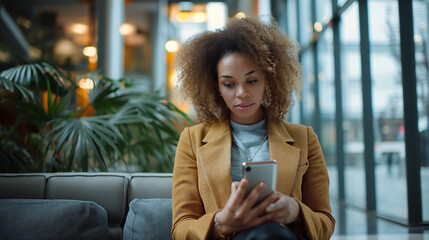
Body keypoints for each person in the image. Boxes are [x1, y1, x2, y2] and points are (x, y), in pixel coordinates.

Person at [171, 17, 335, 240]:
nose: (241, 93)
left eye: (252, 81)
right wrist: (221, 222)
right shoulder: (192, 140)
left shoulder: (303, 138)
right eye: (229, 84)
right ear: (216, 86)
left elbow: (325, 223)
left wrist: (295, 211)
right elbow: (180, 228)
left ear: (267, 80)